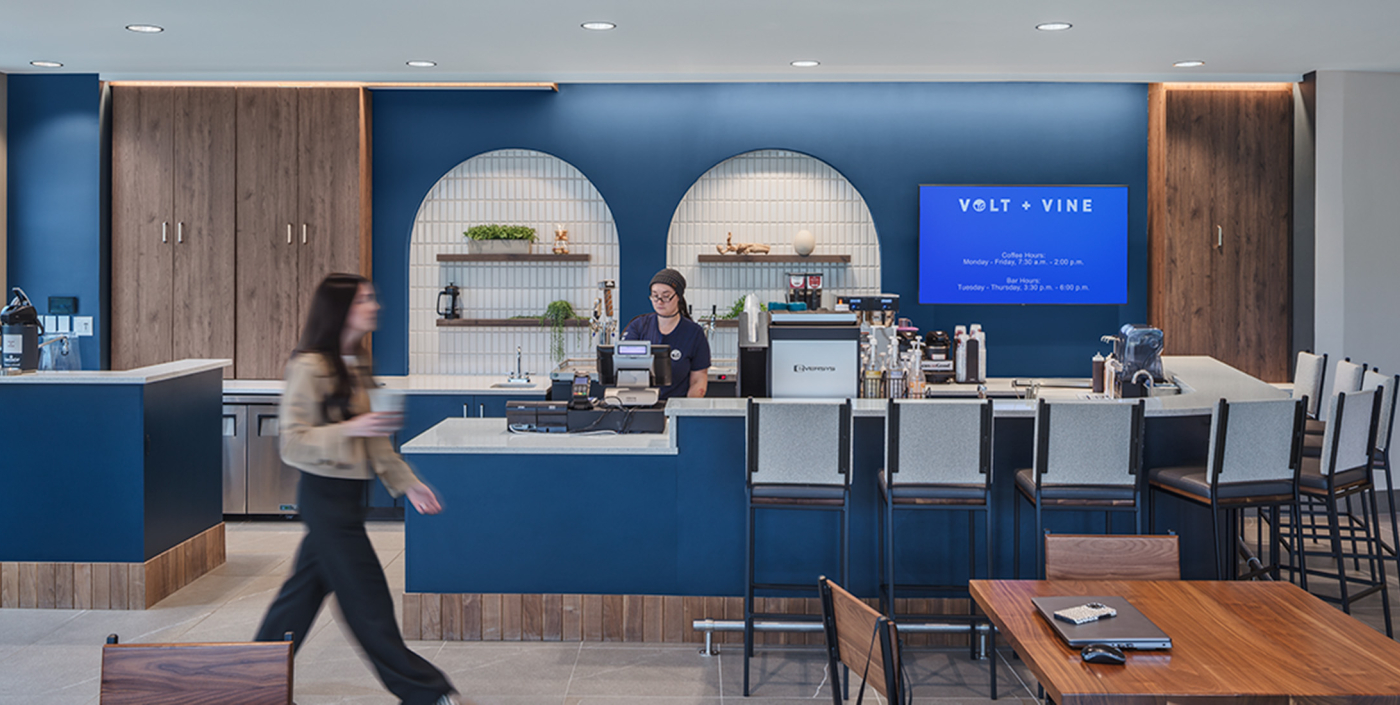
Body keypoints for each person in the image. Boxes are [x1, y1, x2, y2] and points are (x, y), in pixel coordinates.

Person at [254, 273, 457, 705]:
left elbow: (374, 442)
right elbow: (292, 442)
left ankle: (251, 681)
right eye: (365, 299)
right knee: (370, 608)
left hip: (347, 503)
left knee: (298, 601)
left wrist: (409, 484)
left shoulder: (356, 363)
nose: (375, 305)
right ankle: (427, 693)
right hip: (325, 501)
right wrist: (353, 427)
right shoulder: (309, 366)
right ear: (342, 309)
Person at [620, 268, 711, 400]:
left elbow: (699, 380)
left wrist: (686, 412)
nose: (659, 301)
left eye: (666, 296)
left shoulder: (694, 333)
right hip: (639, 406)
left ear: (678, 297)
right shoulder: (638, 326)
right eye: (655, 296)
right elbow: (623, 365)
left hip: (676, 408)